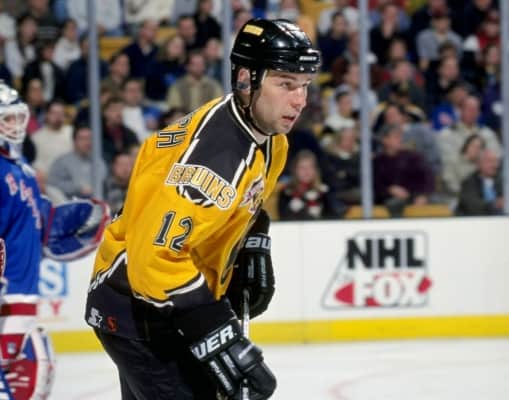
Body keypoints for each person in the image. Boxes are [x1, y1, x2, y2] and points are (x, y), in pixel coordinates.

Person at [85, 18, 321, 399]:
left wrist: (253, 239)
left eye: (304, 85)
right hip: (139, 307)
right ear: (245, 79)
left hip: (163, 301)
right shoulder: (213, 162)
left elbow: (237, 206)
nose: (300, 100)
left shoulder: (269, 138)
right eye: (285, 83)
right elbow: (153, 259)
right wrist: (216, 331)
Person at [0, 82, 108, 399]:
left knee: (36, 374)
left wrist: (75, 218)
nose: (15, 126)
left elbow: (40, 227)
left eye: (17, 117)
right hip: (6, 297)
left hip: (22, 298)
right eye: (6, 119)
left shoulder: (23, 171)